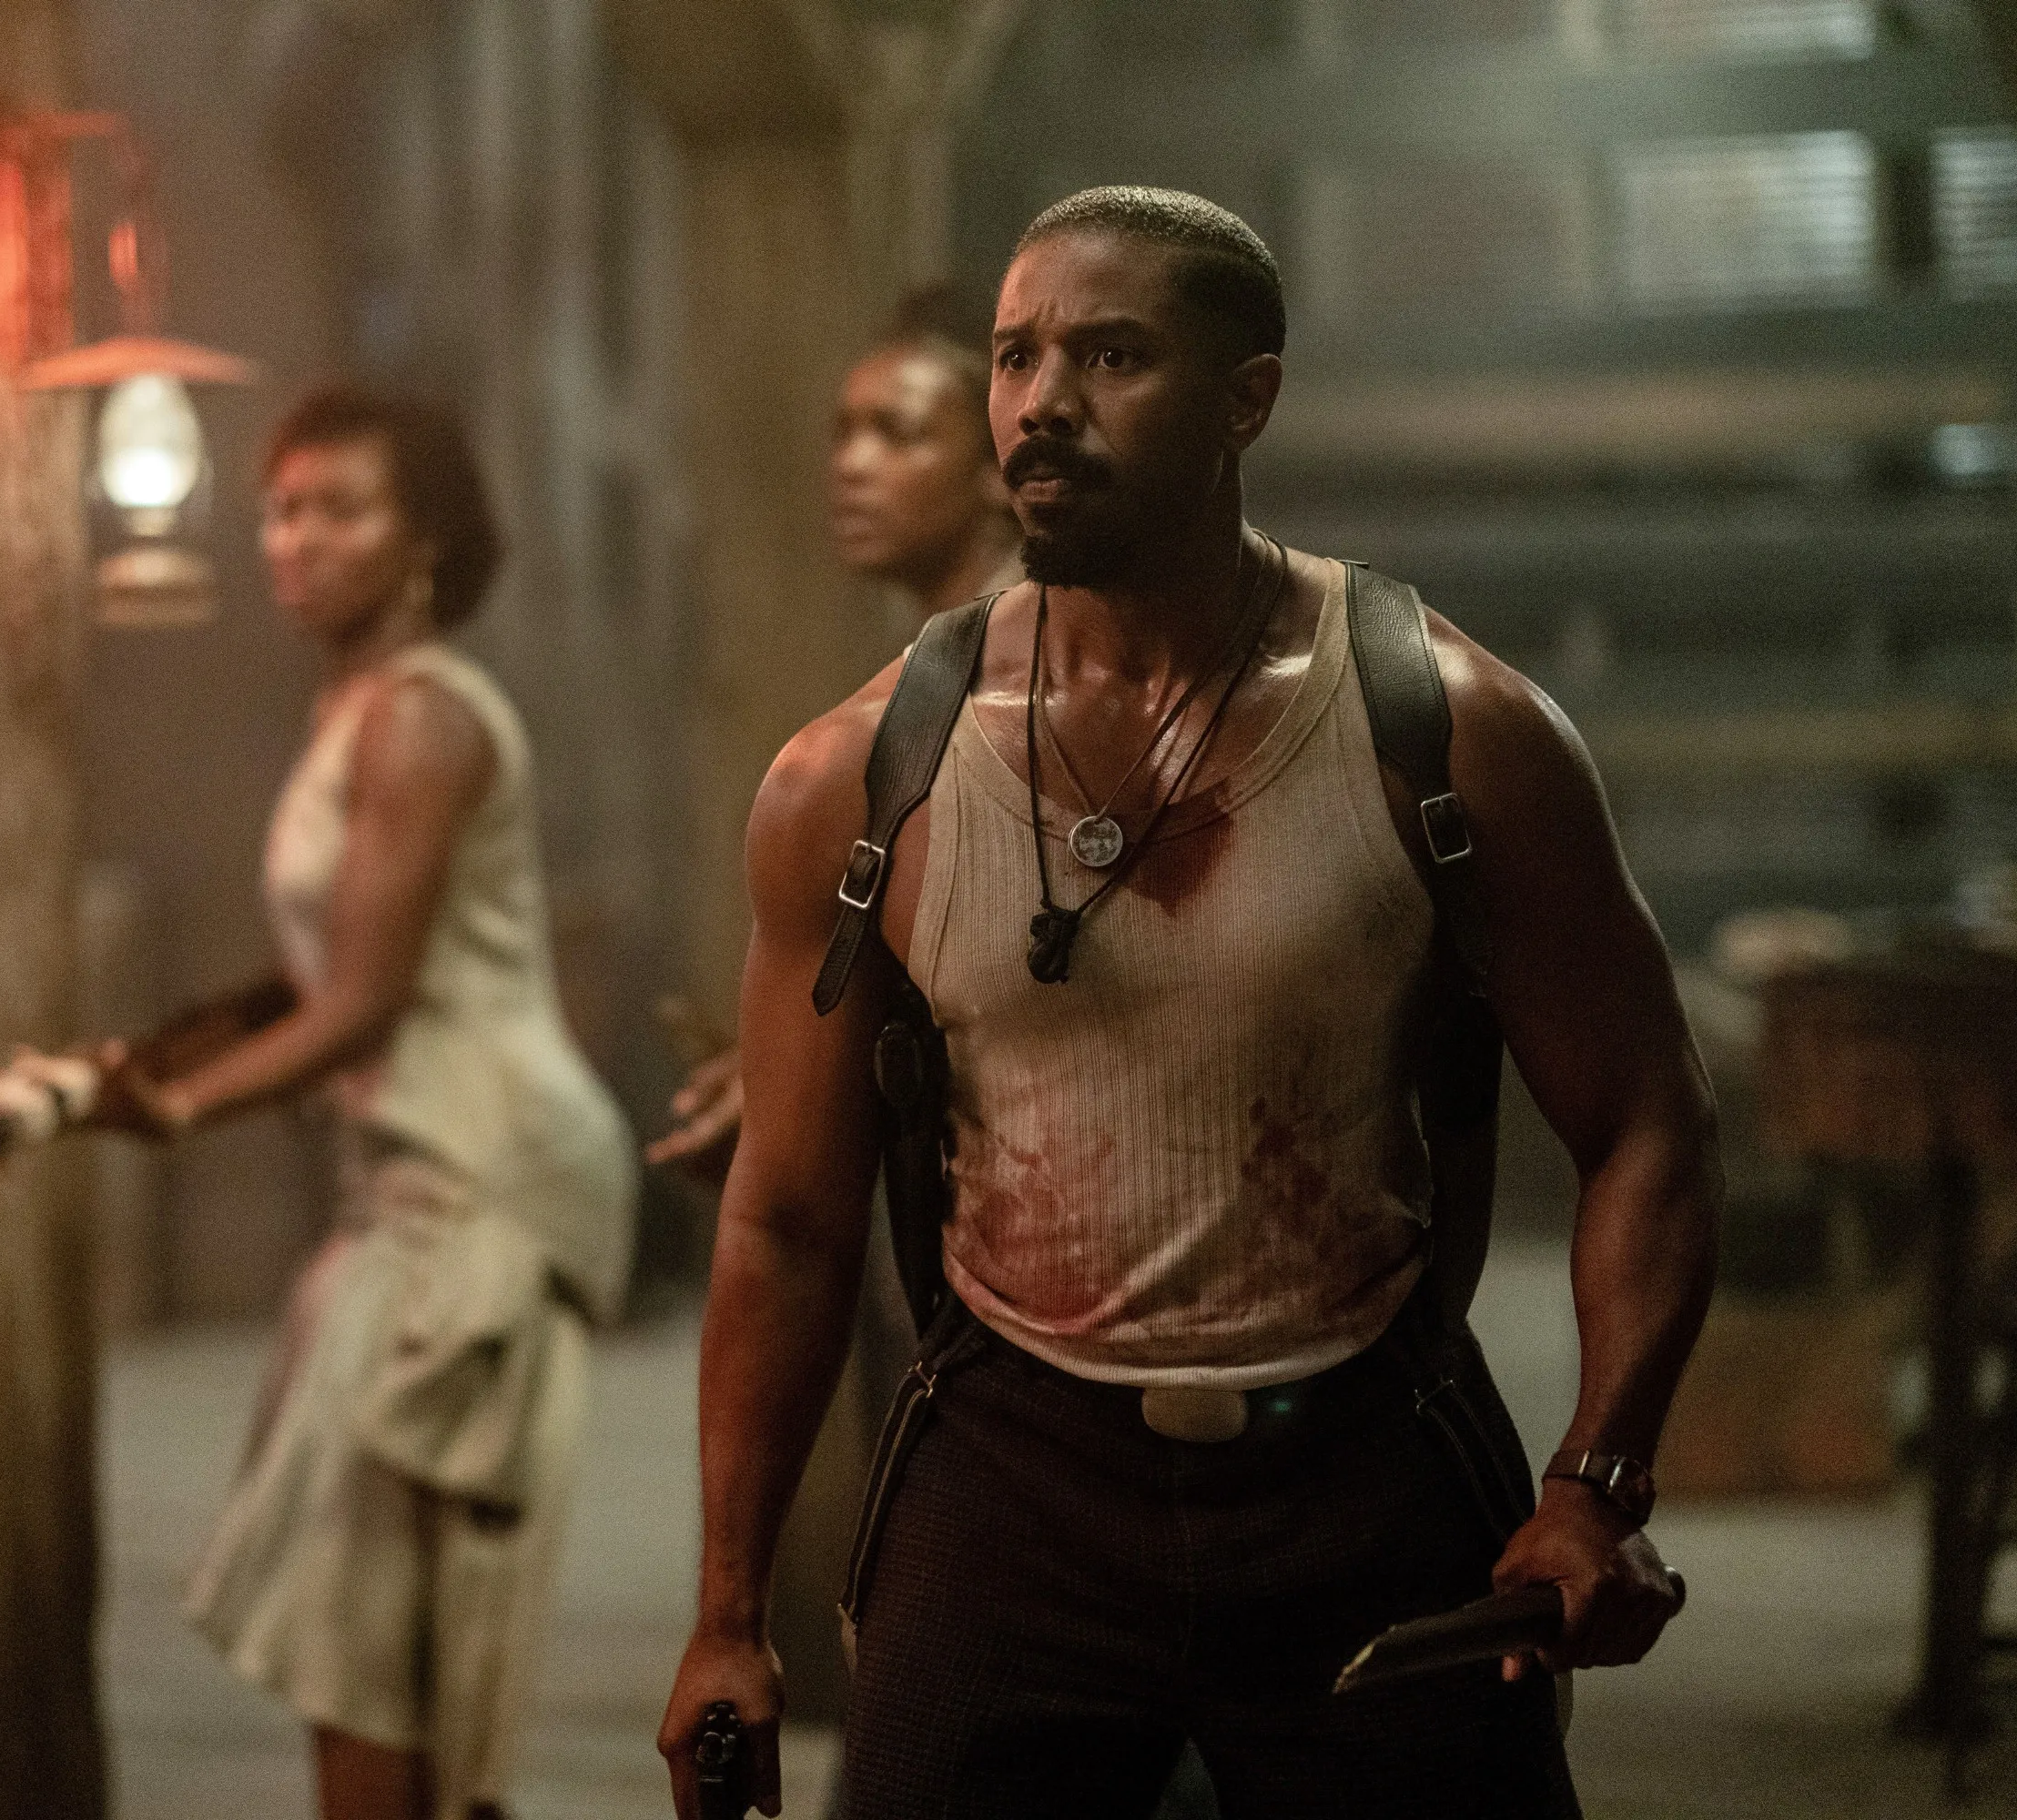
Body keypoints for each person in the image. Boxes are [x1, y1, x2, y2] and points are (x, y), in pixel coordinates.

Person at [657, 187, 1720, 1818]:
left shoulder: (1446, 730)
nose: (1042, 402)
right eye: (1015, 358)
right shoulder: (859, 779)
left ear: (1248, 398)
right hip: (1013, 1460)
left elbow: (1649, 1121)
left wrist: (1596, 1480)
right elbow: (786, 1218)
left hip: (1363, 1454)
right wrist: (727, 1613)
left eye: (1112, 354)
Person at [103, 386, 637, 1820]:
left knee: (388, 1646)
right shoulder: (352, 706)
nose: (294, 539)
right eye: (279, 508)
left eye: (339, 508)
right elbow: (328, 974)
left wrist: (172, 1113)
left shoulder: (422, 721)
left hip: (486, 1185)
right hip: (406, 1182)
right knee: (362, 1634)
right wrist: (170, 1048)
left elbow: (366, 1000)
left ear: (423, 543)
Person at [648, 288, 1020, 1176]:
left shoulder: (1021, 663)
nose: (852, 464)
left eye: (898, 434)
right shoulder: (922, 666)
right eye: (843, 432)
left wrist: (807, 1078)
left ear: (998, 464)